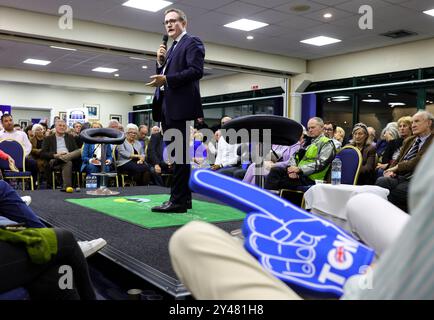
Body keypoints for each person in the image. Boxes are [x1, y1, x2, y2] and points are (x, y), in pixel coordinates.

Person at [148, 8, 205, 213]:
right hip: (168, 107)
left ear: (184, 23)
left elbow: (196, 71)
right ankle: (183, 199)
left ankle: (178, 202)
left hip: (181, 108)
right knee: (177, 156)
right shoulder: (172, 48)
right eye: (166, 22)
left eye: (173, 21)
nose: (169, 25)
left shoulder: (192, 42)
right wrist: (160, 63)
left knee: (180, 157)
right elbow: (162, 77)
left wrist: (168, 79)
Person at [375, 111, 433, 212]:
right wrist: (391, 171)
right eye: (412, 123)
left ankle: (396, 220)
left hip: (420, 179)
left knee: (397, 191)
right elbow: (398, 159)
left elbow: (418, 161)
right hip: (402, 177)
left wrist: (397, 167)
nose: (413, 125)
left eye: (417, 121)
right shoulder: (409, 140)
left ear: (429, 123)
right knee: (381, 181)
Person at [265, 117, 335, 190]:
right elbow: (294, 156)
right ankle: (269, 198)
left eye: (313, 127)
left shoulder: (327, 143)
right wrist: (291, 170)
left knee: (279, 181)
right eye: (309, 128)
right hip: (299, 175)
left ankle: (269, 199)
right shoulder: (307, 143)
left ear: (322, 128)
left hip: (311, 179)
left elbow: (321, 163)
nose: (310, 130)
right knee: (275, 170)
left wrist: (299, 169)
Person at [40, 119, 81, 191]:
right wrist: (56, 155)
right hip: (55, 160)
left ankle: (67, 187)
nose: (62, 127)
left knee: (79, 151)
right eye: (60, 125)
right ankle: (63, 158)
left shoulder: (70, 137)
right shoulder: (48, 138)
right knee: (68, 160)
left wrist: (68, 155)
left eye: (64, 126)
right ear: (55, 127)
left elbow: (75, 150)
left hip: (67, 159)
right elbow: (42, 153)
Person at [0, 114, 38, 185]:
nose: (9, 122)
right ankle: (5, 186)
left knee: (33, 163)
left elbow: (28, 147)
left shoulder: (22, 134)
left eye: (10, 120)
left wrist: (20, 157)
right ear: (2, 123)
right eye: (6, 121)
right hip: (4, 160)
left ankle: (32, 185)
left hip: (21, 159)